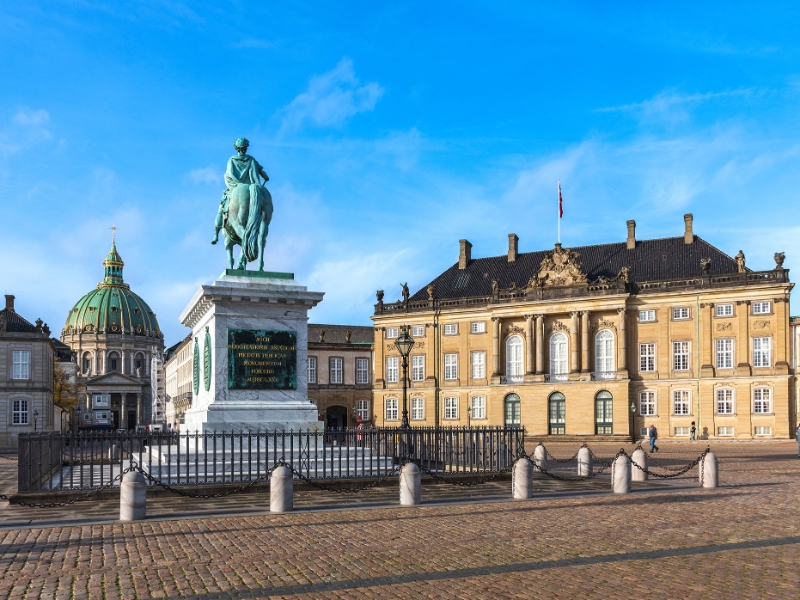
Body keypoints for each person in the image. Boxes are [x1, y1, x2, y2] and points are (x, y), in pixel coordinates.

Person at [211, 137, 270, 244]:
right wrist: (265, 177)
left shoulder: (232, 160)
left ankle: (216, 234)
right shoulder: (251, 159)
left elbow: (229, 174)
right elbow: (262, 172)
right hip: (252, 186)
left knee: (221, 208)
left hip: (235, 187)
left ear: (236, 148)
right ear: (246, 148)